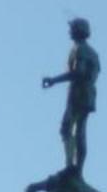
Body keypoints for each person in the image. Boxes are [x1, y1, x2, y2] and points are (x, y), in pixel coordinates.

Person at [41, 18, 100, 173]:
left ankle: (71, 166)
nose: (69, 32)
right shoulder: (93, 53)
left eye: (72, 28)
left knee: (68, 128)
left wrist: (54, 80)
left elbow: (78, 72)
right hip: (87, 93)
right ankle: (76, 168)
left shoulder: (79, 49)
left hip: (78, 93)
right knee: (79, 130)